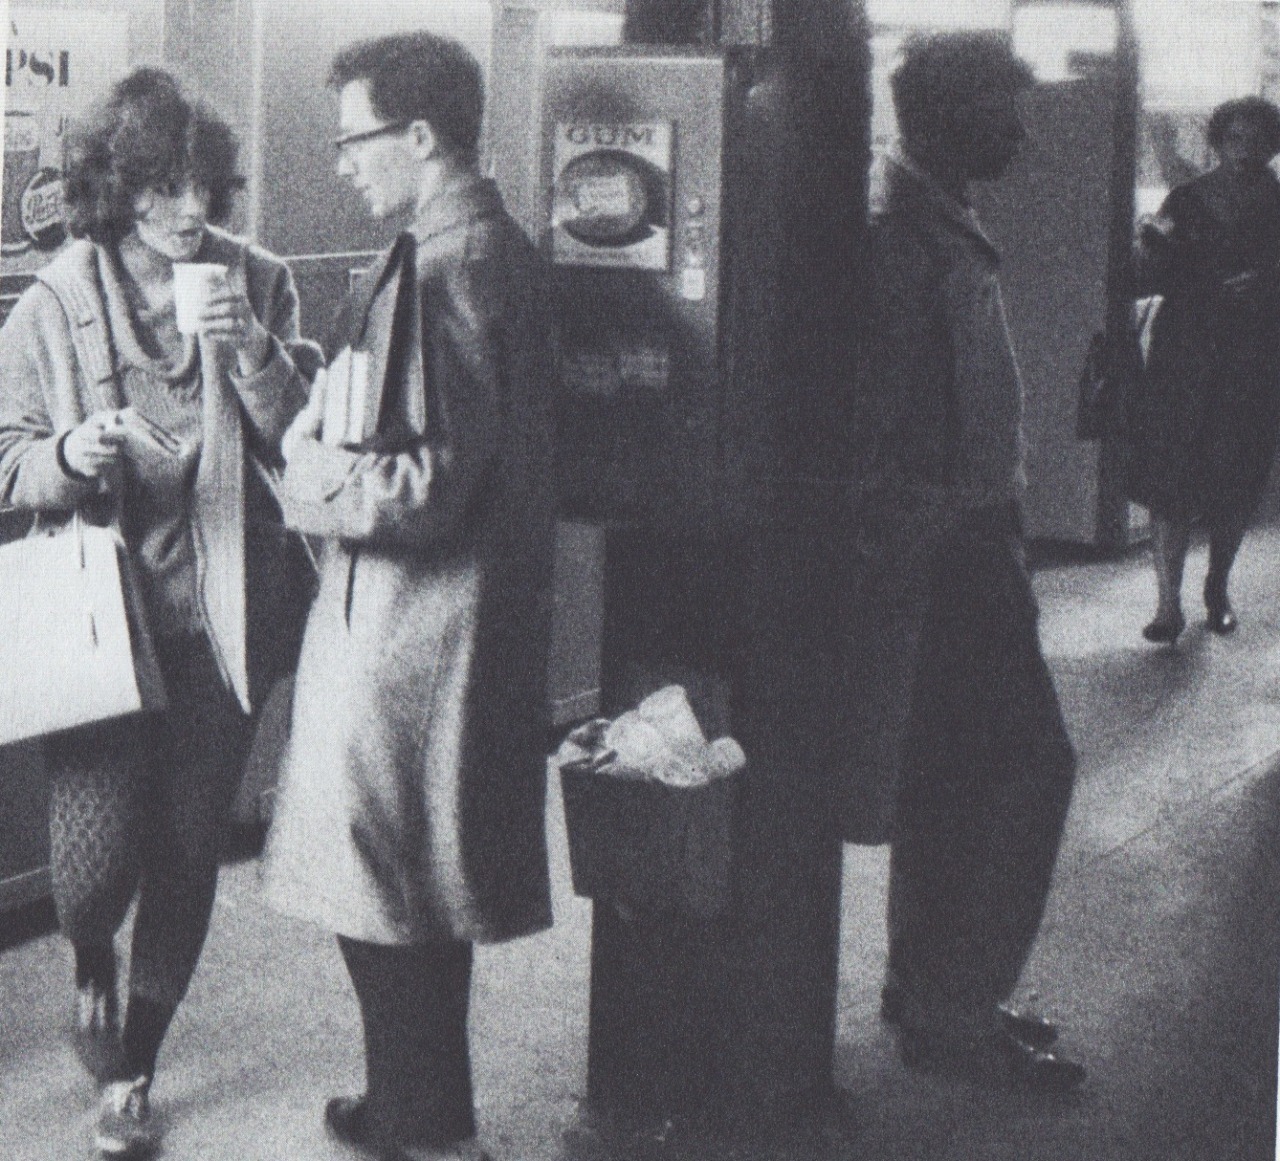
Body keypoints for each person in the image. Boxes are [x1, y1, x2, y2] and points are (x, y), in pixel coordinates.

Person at [0, 68, 318, 1156]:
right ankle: (91, 952)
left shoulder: (258, 285)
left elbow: (304, 447)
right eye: (165, 190)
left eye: (207, 189)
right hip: (100, 636)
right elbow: (3, 463)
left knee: (189, 848)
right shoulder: (51, 305)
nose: (193, 212)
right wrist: (65, 457)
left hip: (220, 628)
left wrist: (256, 355)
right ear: (115, 187)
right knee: (89, 877)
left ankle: (133, 1066)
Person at [261, 31, 557, 1161]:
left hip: (415, 633)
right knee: (398, 887)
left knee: (390, 892)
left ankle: (431, 1132)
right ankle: (411, 1111)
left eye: (355, 140)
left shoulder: (453, 265)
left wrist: (305, 470)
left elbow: (425, 483)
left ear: (420, 137)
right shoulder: (481, 249)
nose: (343, 163)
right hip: (433, 628)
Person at [842, 31, 1085, 1092]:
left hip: (958, 539)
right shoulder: (903, 234)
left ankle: (933, 993)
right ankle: (952, 1012)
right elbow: (887, 421)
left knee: (948, 777)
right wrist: (939, 544)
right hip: (946, 549)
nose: (1020, 135)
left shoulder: (927, 217)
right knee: (1019, 773)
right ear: (940, 116)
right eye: (1003, 111)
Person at [1125, 96, 1280, 643]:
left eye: (1257, 140)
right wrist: (1160, 256)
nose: (1244, 151)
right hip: (1186, 354)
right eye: (1234, 139)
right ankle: (1168, 605)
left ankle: (1217, 586)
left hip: (1254, 357)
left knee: (1236, 476)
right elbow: (1151, 274)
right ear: (1217, 141)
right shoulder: (1184, 200)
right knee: (1171, 473)